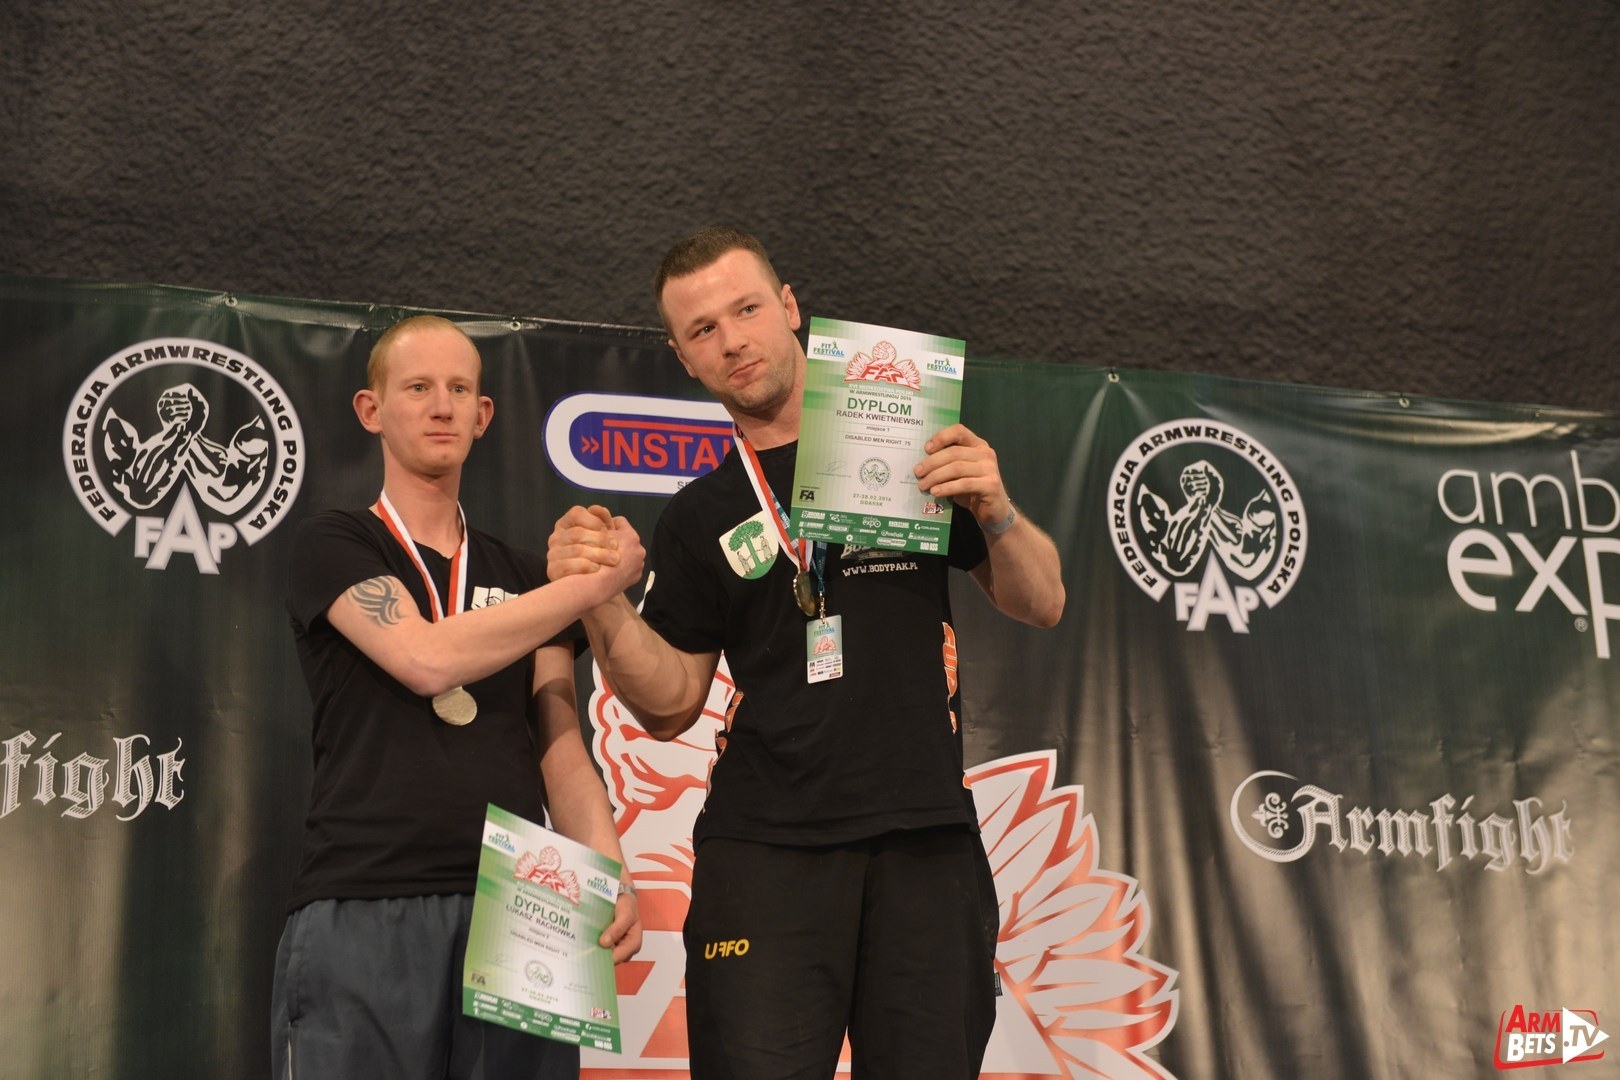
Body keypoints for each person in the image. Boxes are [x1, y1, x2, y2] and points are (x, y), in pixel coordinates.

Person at [548, 227, 1066, 1079]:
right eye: (703, 329)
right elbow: (670, 704)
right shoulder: (699, 514)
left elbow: (1042, 601)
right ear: (682, 357)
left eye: (746, 309)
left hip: (925, 843)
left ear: (790, 307)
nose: (732, 340)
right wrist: (599, 601)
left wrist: (998, 510)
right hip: (765, 853)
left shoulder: (907, 449)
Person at [272, 315, 645, 1080]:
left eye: (459, 389)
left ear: (483, 414)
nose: (441, 406)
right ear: (372, 410)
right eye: (417, 387)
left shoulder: (528, 577)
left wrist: (609, 867)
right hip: (371, 893)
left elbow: (559, 744)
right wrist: (592, 586)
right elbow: (423, 658)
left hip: (528, 904)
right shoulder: (336, 542)